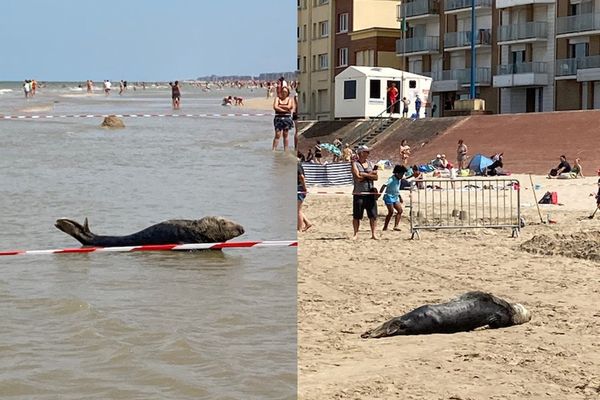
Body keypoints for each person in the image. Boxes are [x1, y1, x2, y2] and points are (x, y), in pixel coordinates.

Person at [352, 145, 379, 240]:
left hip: (370, 192)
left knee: (373, 215)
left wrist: (364, 174)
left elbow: (376, 177)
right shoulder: (355, 164)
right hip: (359, 193)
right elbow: (357, 177)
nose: (368, 153)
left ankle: (373, 234)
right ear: (361, 153)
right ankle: (355, 234)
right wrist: (369, 174)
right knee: (357, 215)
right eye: (366, 152)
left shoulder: (371, 164)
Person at [380, 165, 406, 231]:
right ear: (397, 173)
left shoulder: (399, 180)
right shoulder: (391, 179)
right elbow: (384, 185)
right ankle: (385, 227)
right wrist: (379, 194)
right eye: (401, 174)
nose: (402, 176)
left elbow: (397, 189)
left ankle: (396, 226)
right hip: (388, 197)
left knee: (400, 211)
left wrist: (400, 197)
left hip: (395, 197)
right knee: (391, 212)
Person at [272, 86, 294, 151]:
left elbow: (289, 106)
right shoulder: (277, 99)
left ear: (288, 93)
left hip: (287, 119)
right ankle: (274, 149)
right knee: (277, 134)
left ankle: (286, 150)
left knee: (285, 134)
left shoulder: (289, 99)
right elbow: (275, 107)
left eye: (285, 92)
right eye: (283, 91)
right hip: (278, 118)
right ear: (281, 92)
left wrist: (280, 107)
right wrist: (284, 110)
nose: (284, 93)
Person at [298, 162, 313, 232]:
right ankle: (307, 223)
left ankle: (300, 228)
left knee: (298, 210)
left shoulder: (297, 165)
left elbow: (302, 177)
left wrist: (305, 188)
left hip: (299, 188)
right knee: (296, 209)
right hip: (297, 187)